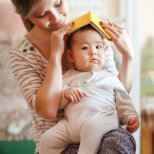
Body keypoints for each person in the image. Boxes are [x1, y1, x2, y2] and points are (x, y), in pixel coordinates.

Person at [9, 0, 137, 153]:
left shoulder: (91, 33)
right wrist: (56, 54)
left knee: (118, 144)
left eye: (58, 4)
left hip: (102, 127)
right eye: (42, 14)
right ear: (27, 16)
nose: (56, 18)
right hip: (62, 139)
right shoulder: (21, 55)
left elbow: (116, 89)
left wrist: (128, 56)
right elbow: (48, 110)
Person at [39, 25, 139, 154]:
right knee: (47, 139)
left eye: (98, 47)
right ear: (70, 56)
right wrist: (65, 94)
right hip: (70, 126)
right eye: (85, 48)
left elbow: (123, 99)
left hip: (102, 120)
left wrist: (131, 116)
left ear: (105, 51)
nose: (93, 52)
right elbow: (56, 100)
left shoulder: (110, 77)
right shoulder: (67, 77)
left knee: (91, 127)